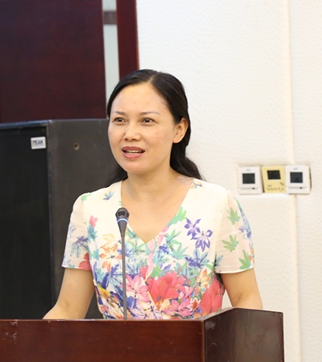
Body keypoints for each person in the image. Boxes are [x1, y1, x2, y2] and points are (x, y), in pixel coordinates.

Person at [44, 69, 262, 320]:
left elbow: (246, 300)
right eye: (119, 120)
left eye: (146, 121)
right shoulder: (90, 208)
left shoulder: (217, 204)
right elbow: (67, 309)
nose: (130, 134)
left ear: (179, 129)